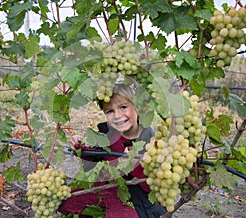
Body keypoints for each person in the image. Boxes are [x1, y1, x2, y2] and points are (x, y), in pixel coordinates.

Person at [58, 77, 168, 218]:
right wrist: (82, 149)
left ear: (137, 107)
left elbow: (153, 187)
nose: (117, 115)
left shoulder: (152, 140)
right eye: (110, 111)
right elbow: (92, 162)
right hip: (109, 188)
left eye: (123, 107)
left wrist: (135, 165)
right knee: (69, 201)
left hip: (139, 200)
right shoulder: (108, 134)